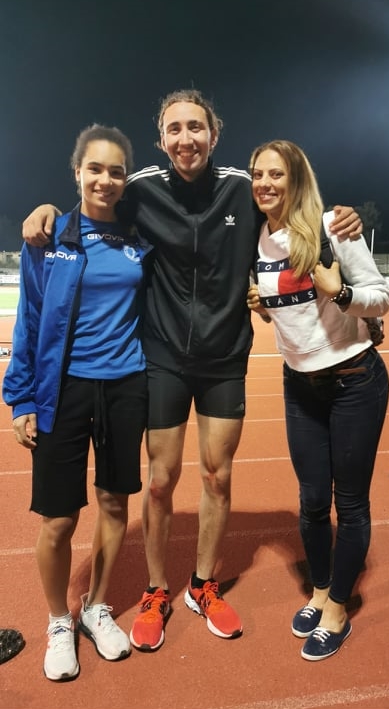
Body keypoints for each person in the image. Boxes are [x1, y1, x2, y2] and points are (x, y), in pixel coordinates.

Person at [21, 89, 363, 653]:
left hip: (224, 359)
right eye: (175, 129)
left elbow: (291, 203)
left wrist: (339, 216)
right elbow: (93, 201)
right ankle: (157, 589)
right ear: (161, 139)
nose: (186, 139)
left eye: (196, 127)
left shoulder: (240, 188)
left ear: (214, 133)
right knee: (159, 482)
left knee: (216, 477)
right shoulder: (141, 189)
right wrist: (48, 212)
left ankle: (203, 585)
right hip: (161, 359)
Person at [3, 124, 151, 680]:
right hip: (62, 391)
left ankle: (96, 607)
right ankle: (58, 621)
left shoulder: (140, 237)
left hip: (125, 386)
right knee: (58, 520)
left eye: (116, 171)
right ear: (77, 173)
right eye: (95, 169)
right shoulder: (49, 238)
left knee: (115, 505)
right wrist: (21, 399)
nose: (105, 180)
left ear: (125, 178)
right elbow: (29, 321)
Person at [247, 139, 389, 661]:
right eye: (257, 174)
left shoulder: (332, 226)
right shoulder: (256, 239)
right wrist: (265, 307)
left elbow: (384, 296)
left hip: (354, 382)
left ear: (296, 180)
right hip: (300, 387)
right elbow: (292, 311)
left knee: (349, 504)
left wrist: (342, 293)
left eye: (276, 174)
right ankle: (320, 588)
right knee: (311, 501)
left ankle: (337, 609)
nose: (264, 184)